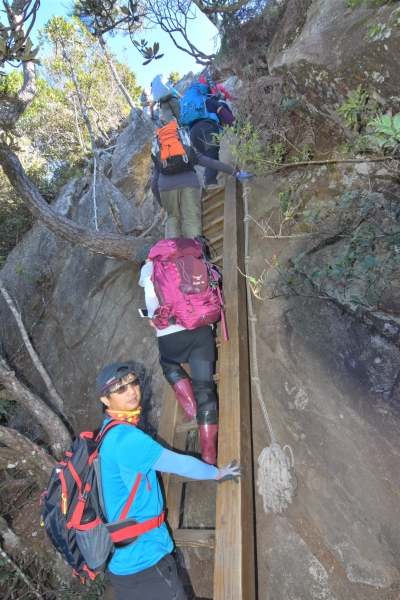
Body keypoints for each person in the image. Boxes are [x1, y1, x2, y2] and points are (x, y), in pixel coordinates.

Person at [97, 362, 243, 600]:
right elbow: (181, 464)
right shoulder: (126, 438)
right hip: (145, 562)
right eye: (120, 389)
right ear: (105, 400)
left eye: (132, 382)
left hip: (125, 564)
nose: (131, 391)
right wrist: (218, 473)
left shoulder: (108, 432)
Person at [137, 244, 219, 464]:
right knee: (205, 389)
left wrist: (156, 320)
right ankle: (209, 455)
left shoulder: (150, 268)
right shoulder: (189, 260)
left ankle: (191, 409)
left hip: (171, 335)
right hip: (202, 330)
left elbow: (150, 298)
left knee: (168, 363)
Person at [151, 151, 248, 237]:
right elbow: (210, 162)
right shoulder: (186, 149)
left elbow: (154, 186)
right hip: (189, 185)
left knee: (172, 220)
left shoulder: (160, 156)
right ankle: (197, 252)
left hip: (167, 188)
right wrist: (236, 173)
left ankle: (172, 253)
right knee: (192, 222)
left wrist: (163, 205)